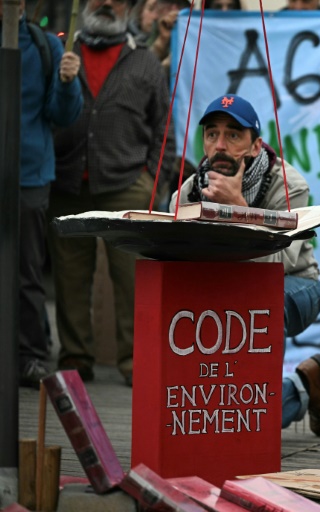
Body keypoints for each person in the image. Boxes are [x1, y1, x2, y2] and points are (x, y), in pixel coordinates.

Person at [170, 94, 320, 437]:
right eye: (212, 134)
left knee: (258, 302)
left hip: (294, 286)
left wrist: (238, 208)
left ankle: (271, 398)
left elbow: (278, 263)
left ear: (255, 144)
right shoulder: (191, 190)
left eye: (234, 135)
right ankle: (305, 384)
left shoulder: (288, 185)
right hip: (227, 293)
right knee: (224, 416)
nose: (220, 145)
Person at [49, 0, 176, 387]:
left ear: (129, 7)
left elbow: (163, 127)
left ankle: (136, 363)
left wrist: (152, 180)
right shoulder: (61, 52)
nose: (106, 3)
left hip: (127, 187)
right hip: (68, 183)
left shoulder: (145, 62)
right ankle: (74, 358)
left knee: (133, 281)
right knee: (69, 280)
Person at [0, 0, 83, 388]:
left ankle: (30, 356)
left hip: (30, 178)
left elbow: (63, 115)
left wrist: (68, 84)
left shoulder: (47, 46)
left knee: (27, 271)